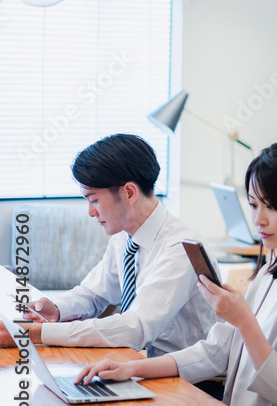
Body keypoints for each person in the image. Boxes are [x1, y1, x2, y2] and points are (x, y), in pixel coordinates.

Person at [78, 139, 277, 406]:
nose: (258, 220)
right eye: (253, 205)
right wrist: (132, 368)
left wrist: (245, 322)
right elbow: (217, 350)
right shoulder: (274, 267)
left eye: (271, 206)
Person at [2, 134, 215, 356]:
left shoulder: (179, 247)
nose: (91, 212)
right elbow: (94, 293)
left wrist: (37, 333)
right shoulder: (124, 238)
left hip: (189, 379)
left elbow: (137, 327)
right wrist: (57, 309)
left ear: (129, 193)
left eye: (94, 200)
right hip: (143, 363)